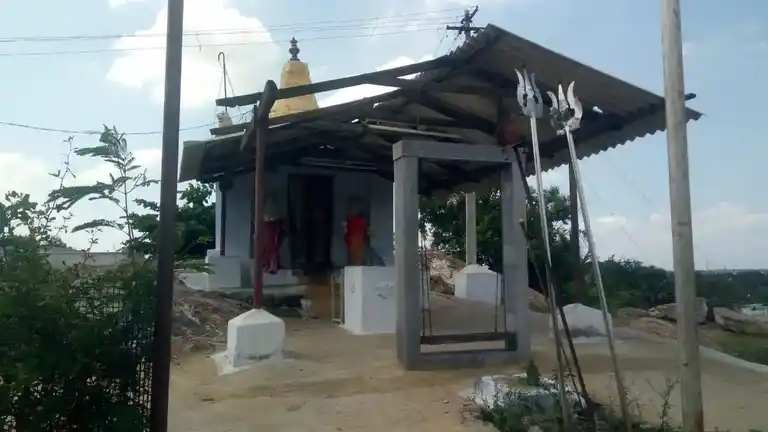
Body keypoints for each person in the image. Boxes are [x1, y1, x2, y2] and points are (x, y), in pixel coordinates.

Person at [343, 198, 368, 266]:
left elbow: (346, 236)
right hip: (355, 245)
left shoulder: (353, 222)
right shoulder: (361, 221)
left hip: (355, 245)